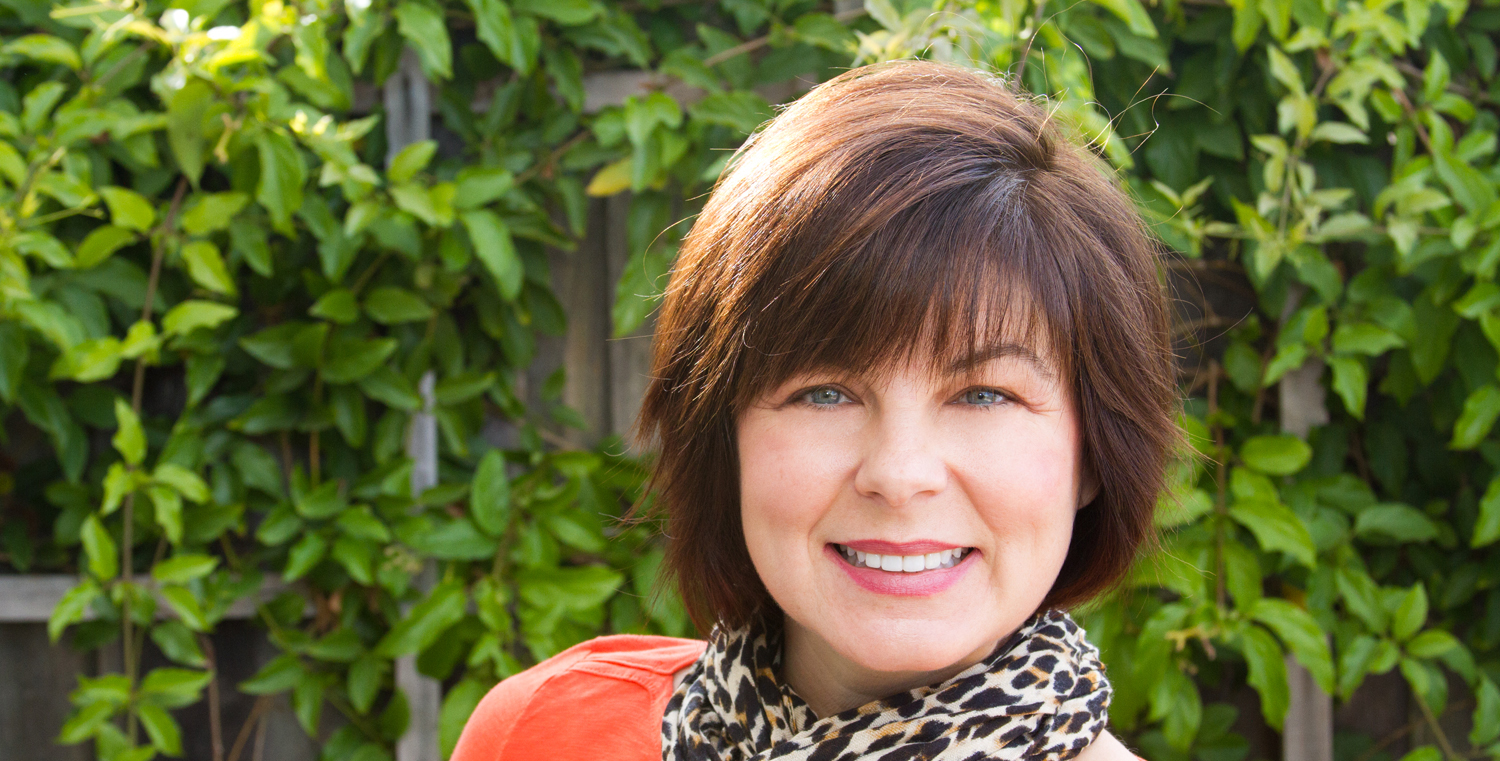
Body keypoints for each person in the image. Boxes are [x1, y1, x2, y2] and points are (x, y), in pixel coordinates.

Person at [450, 59, 1178, 761]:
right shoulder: (544, 733)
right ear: (724, 434)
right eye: (825, 392)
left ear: (1093, 452)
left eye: (984, 394)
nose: (899, 475)